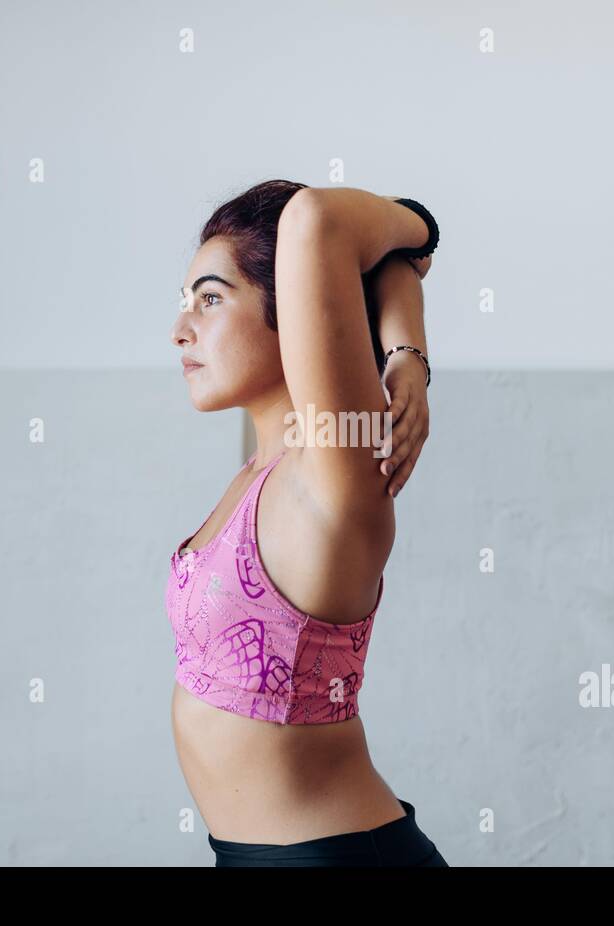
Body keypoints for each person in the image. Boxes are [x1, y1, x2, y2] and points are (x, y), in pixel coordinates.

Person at [166, 180, 447, 866]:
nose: (181, 329)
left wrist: (406, 357)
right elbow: (385, 262)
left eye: (210, 298)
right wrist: (405, 340)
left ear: (290, 304)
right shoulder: (258, 471)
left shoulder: (332, 467)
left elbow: (319, 221)